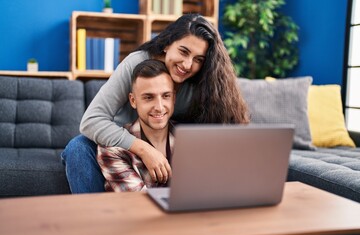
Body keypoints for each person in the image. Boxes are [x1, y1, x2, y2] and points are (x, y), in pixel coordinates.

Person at [61, 13, 250, 193]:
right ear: (167, 44)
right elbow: (91, 121)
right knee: (78, 147)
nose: (187, 64)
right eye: (183, 51)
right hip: (121, 144)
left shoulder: (201, 80)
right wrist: (145, 150)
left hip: (164, 142)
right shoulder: (136, 64)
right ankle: (94, 218)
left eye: (198, 59)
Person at [97, 59, 176, 192]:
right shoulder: (112, 149)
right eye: (148, 97)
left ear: (174, 98)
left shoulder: (190, 140)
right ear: (133, 101)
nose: (159, 107)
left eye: (166, 96)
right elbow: (140, 203)